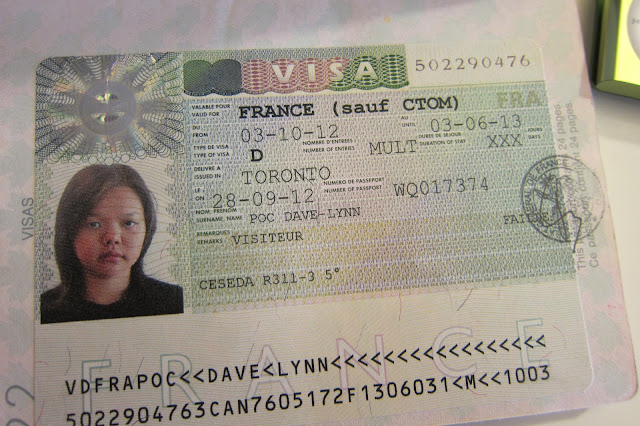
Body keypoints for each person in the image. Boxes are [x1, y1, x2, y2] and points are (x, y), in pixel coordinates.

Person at [40, 164, 183, 324]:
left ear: (147, 228)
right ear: (68, 231)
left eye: (129, 223)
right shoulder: (44, 311)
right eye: (94, 224)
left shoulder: (174, 302)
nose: (113, 238)